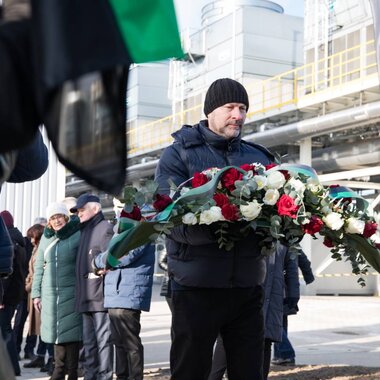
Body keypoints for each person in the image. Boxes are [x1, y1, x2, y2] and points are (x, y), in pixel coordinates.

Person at [155, 78, 275, 380]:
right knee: (190, 372)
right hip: (196, 286)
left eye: (243, 108)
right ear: (210, 110)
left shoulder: (258, 157)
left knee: (249, 373)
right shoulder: (179, 154)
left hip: (247, 287)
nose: (238, 115)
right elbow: (166, 216)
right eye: (230, 107)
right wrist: (218, 228)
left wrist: (272, 232)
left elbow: (276, 215)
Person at [208, 244, 300, 380]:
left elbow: (292, 264)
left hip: (273, 294)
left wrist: (293, 293)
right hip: (244, 289)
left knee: (267, 339)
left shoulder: (286, 232)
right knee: (226, 339)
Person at [31, 202, 82, 380]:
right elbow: (39, 268)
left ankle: (73, 373)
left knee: (72, 334)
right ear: (49, 222)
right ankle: (58, 371)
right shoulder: (46, 238)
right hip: (50, 294)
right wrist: (36, 294)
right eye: (53, 218)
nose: (57, 220)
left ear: (66, 217)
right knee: (57, 334)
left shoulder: (77, 234)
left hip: (72, 292)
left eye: (59, 216)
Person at [93, 241, 155, 380]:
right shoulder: (121, 232)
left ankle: (135, 377)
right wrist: (101, 262)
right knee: (118, 341)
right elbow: (110, 255)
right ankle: (122, 376)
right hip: (115, 294)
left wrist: (101, 261)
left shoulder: (142, 233)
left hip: (128, 294)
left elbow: (124, 257)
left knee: (131, 343)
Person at [70, 193, 114, 380]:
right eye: (77, 211)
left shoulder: (105, 229)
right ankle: (90, 375)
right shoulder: (84, 231)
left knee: (103, 342)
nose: (78, 214)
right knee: (88, 343)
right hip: (85, 297)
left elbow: (110, 263)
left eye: (82, 210)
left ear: (95, 209)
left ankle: (104, 376)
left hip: (100, 297)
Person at [272, 250, 315, 366]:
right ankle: (279, 355)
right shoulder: (292, 240)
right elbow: (304, 260)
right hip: (288, 289)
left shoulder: (278, 239)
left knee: (273, 322)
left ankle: (286, 353)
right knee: (281, 322)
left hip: (277, 287)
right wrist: (308, 276)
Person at [23, 223, 55, 375]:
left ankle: (52, 360)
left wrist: (29, 285)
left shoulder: (45, 249)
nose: (30, 241)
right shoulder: (36, 248)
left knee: (46, 328)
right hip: (34, 293)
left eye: (32, 237)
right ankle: (41, 356)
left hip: (42, 295)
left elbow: (40, 272)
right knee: (40, 330)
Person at [0, 210, 26, 376]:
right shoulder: (19, 241)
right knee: (6, 330)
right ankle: (13, 368)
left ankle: (11, 369)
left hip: (5, 295)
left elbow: (6, 274)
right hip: (14, 294)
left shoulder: (9, 242)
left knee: (5, 331)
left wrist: (0, 297)